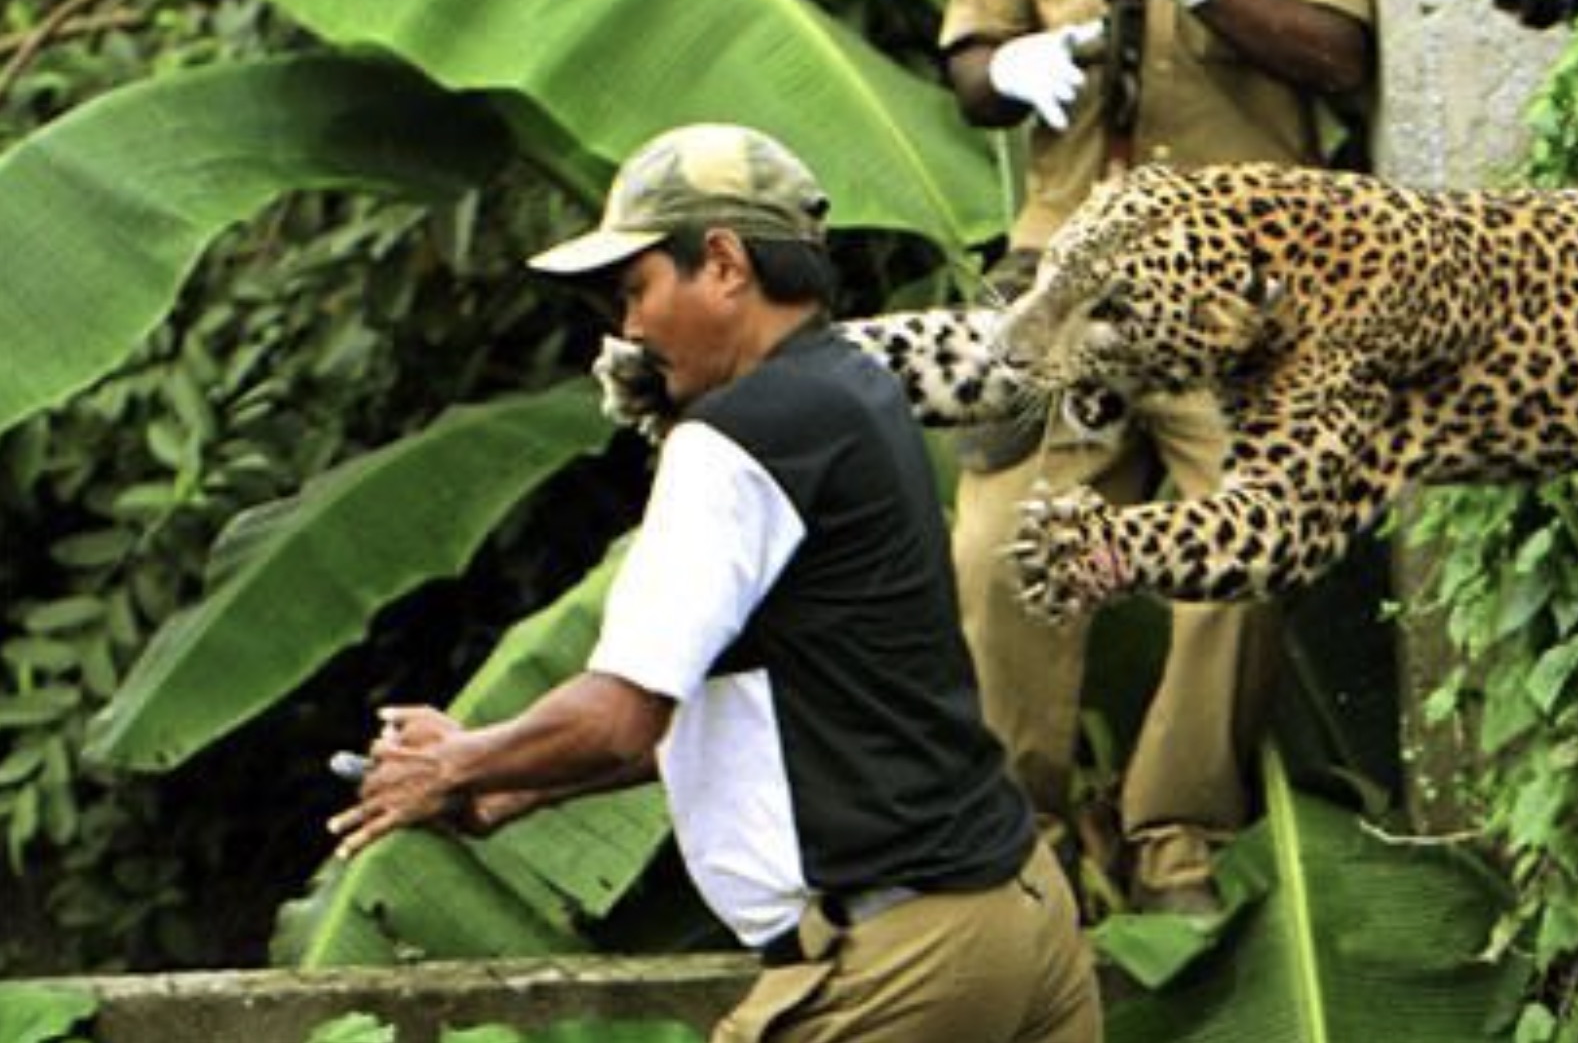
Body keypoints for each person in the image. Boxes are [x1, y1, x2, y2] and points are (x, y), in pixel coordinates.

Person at [326, 123, 1100, 1043]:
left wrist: (453, 763)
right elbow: (773, 713)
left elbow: (620, 712)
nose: (631, 329)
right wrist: (516, 782)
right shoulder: (856, 392)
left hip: (906, 961)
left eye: (638, 288)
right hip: (1022, 915)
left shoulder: (735, 440)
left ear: (725, 263)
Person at [938, 0, 1375, 915]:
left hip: (1249, 278)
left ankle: (1174, 833)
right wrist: (1010, 68)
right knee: (1002, 547)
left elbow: (1340, 55)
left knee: (1249, 539)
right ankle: (1028, 842)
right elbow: (965, 57)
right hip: (1065, 261)